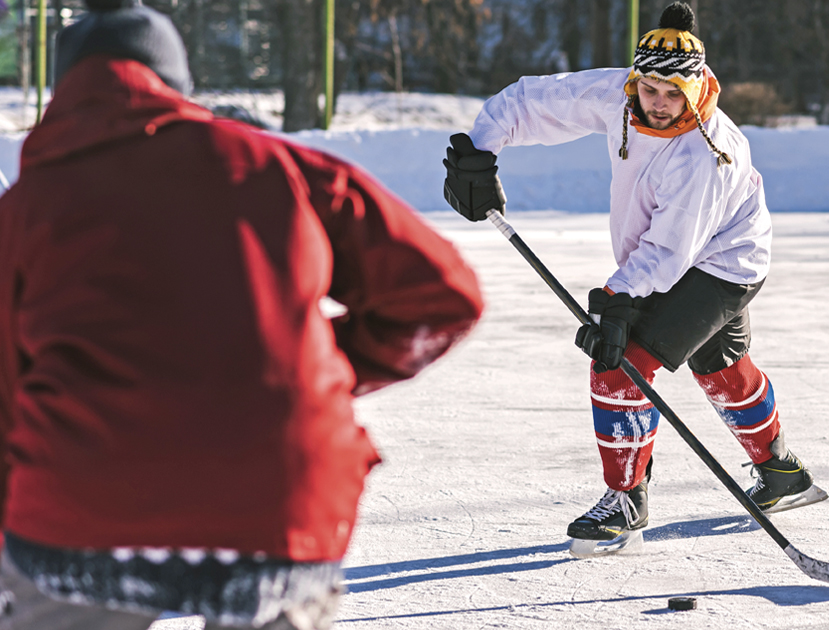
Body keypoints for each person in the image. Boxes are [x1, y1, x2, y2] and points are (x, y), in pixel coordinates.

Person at [0, 1, 484, 628]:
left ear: (62, 92)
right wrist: (324, 368)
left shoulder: (25, 210)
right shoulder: (276, 167)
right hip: (279, 506)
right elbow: (444, 294)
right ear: (178, 85)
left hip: (82, 506)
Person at [443, 1, 818, 547]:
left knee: (619, 366)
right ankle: (784, 473)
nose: (660, 104)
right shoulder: (621, 96)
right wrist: (480, 150)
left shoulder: (707, 153)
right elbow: (533, 101)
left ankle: (625, 499)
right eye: (650, 90)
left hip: (721, 262)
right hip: (678, 253)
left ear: (695, 91)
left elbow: (668, 253)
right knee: (720, 361)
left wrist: (615, 300)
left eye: (674, 95)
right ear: (635, 81)